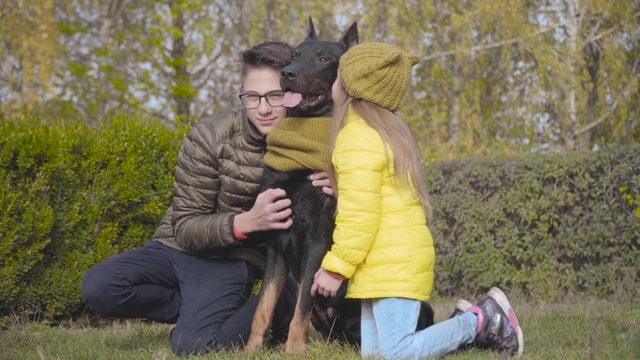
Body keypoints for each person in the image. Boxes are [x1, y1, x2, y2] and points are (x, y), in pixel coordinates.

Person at [82, 41, 333, 356]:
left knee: (194, 347)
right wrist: (245, 222)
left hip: (231, 262)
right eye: (252, 97)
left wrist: (342, 184)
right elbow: (185, 226)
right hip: (177, 247)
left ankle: (281, 301)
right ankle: (200, 312)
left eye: (276, 95)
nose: (264, 108)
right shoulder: (210, 134)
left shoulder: (315, 139)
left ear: (293, 92)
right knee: (99, 287)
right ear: (241, 92)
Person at [310, 42, 524, 359]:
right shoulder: (379, 130)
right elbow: (377, 197)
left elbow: (359, 218)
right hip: (386, 262)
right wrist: (344, 185)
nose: (333, 83)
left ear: (351, 85)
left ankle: (480, 321)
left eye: (338, 75)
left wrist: (335, 269)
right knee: (375, 355)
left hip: (392, 262)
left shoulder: (356, 136)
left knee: (398, 354)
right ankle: (461, 325)